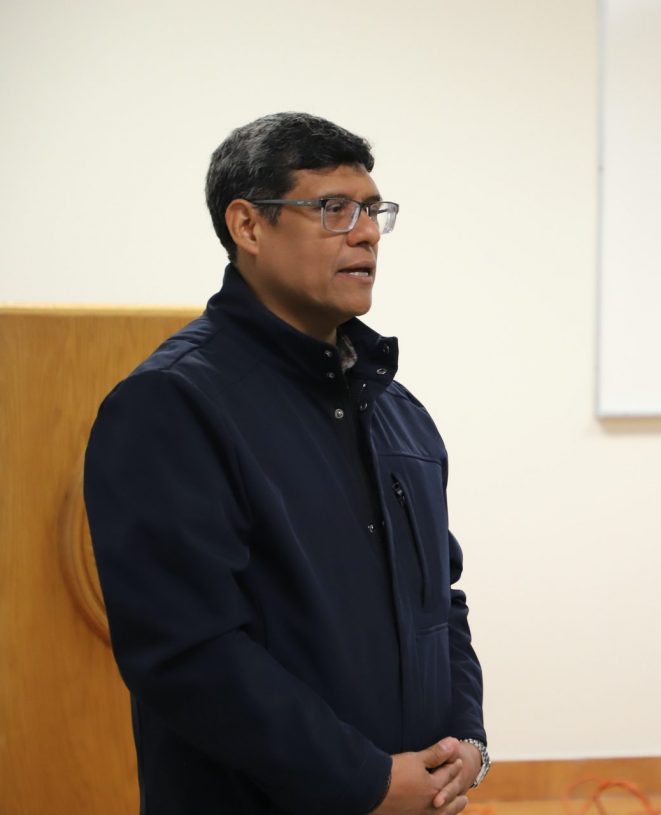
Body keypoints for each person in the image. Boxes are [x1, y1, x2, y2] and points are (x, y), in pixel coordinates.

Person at [84, 112, 489, 815]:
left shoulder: (399, 412)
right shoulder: (172, 405)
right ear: (248, 226)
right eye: (333, 208)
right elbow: (187, 651)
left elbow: (441, 603)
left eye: (372, 211)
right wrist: (363, 780)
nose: (365, 233)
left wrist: (467, 740)